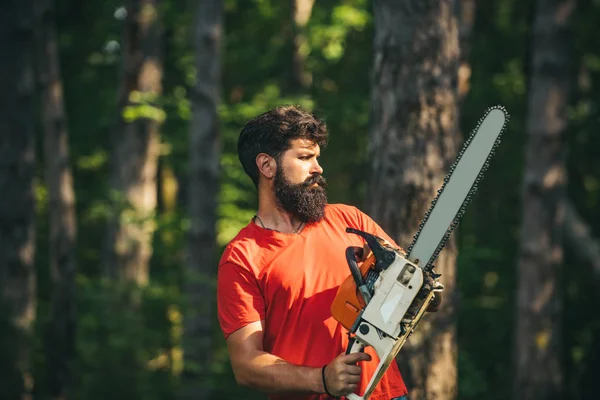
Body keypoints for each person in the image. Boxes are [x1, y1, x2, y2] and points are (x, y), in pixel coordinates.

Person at [217, 105, 440, 400]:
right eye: (305, 157)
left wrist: (419, 291)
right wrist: (321, 379)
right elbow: (246, 365)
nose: (318, 168)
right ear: (266, 166)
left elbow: (421, 289)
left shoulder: (349, 220)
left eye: (317, 158)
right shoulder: (243, 256)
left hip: (385, 394)